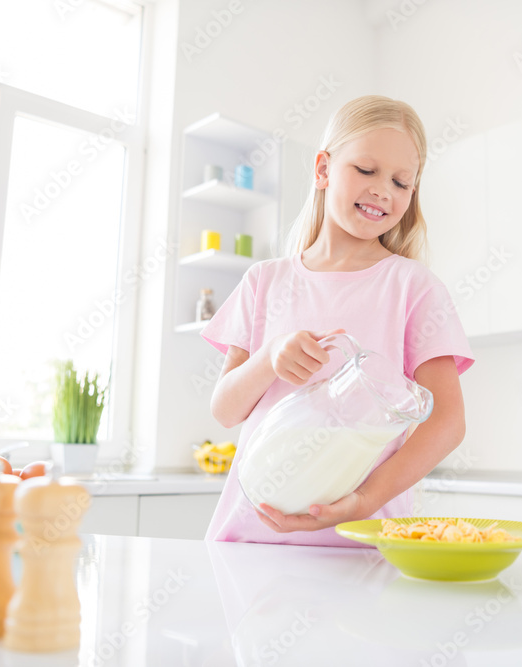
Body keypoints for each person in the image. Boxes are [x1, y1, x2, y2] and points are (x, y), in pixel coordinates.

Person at [200, 94, 474, 547]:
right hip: (252, 537)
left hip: (359, 540)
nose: (383, 190)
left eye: (403, 182)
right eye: (366, 170)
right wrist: (269, 358)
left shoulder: (414, 288)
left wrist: (365, 500)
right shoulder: (264, 281)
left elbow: (447, 421)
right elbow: (225, 410)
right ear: (323, 169)